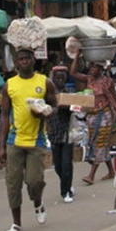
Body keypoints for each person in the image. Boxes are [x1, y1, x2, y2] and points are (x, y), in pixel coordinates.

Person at [0, 49, 57, 231]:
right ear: (16, 62)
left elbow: (55, 106)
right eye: (20, 59)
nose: (24, 61)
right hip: (14, 140)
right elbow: (5, 115)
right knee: (13, 183)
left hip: (36, 141)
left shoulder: (44, 82)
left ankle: (38, 203)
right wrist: (1, 146)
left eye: (27, 58)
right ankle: (16, 223)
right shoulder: (9, 85)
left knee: (34, 181)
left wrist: (44, 112)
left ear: (33, 60)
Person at [70, 54, 116, 185]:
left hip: (105, 115)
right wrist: (77, 55)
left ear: (101, 68)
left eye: (94, 67)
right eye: (91, 66)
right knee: (96, 142)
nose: (91, 69)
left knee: (100, 143)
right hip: (92, 115)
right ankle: (111, 171)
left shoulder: (108, 82)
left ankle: (91, 174)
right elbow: (73, 72)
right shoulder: (89, 79)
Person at [46, 66, 75, 203]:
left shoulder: (69, 92)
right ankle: (66, 182)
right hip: (54, 132)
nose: (60, 80)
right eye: (57, 78)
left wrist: (69, 106)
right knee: (58, 165)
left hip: (67, 132)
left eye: (62, 78)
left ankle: (66, 191)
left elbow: (77, 107)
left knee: (66, 164)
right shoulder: (48, 94)